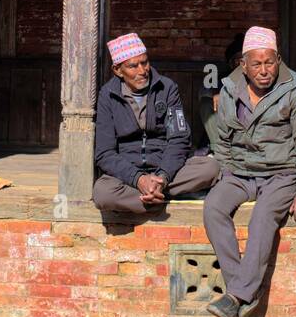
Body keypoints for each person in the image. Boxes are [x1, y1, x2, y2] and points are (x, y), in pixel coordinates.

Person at [203, 26, 296, 317]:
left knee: (263, 217)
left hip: (281, 173)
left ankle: (237, 295)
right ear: (244, 65)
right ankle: (241, 290)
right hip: (240, 172)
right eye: (256, 64)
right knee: (213, 207)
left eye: (270, 62)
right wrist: (226, 172)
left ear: (278, 59)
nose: (264, 70)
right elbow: (222, 139)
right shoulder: (230, 88)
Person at [92, 32, 218, 214]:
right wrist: (138, 179)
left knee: (210, 168)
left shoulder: (166, 88)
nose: (142, 70)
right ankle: (160, 197)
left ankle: (149, 196)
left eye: (145, 62)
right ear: (118, 70)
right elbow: (105, 153)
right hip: (128, 174)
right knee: (103, 194)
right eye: (133, 66)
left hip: (165, 170)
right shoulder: (107, 95)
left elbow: (179, 139)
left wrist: (162, 176)